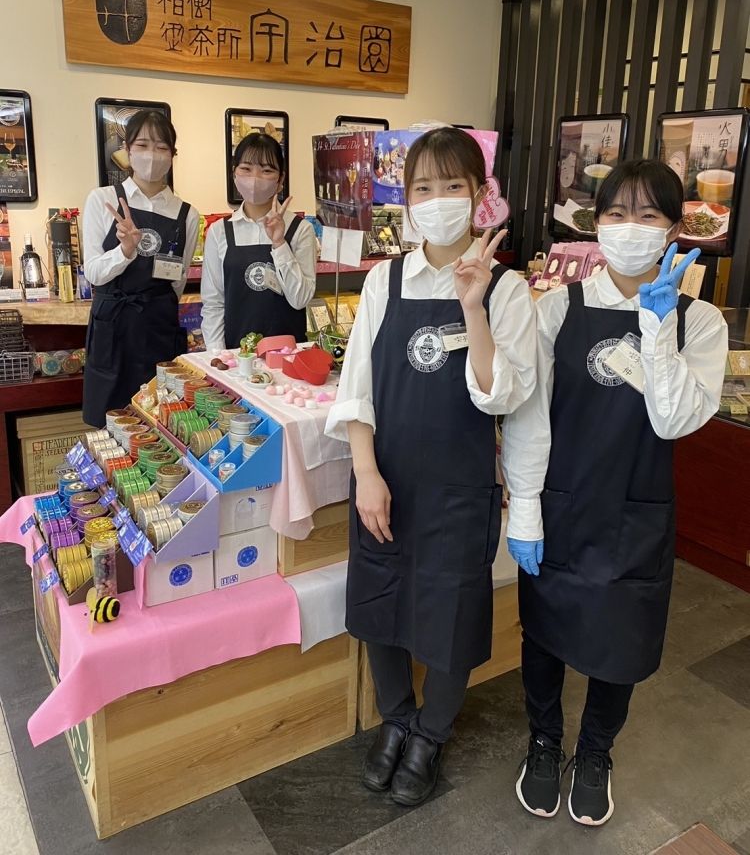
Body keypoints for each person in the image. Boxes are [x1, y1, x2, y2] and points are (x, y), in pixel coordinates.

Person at [502, 159, 728, 828]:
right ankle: (544, 741)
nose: (631, 229)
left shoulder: (699, 322)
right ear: (595, 223)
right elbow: (529, 416)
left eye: (649, 215)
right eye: (616, 214)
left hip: (637, 511)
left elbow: (675, 420)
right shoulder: (556, 309)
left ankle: (596, 752)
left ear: (675, 228)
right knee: (542, 636)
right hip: (563, 502)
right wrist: (525, 507)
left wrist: (657, 328)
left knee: (622, 642)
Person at [325, 126, 537, 807]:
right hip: (389, 477)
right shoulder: (385, 279)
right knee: (380, 605)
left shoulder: (507, 289)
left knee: (450, 614)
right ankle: (396, 718)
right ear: (407, 200)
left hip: (458, 488)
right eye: (424, 188)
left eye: (453, 185)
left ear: (480, 196)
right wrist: (366, 472)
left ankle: (431, 734)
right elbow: (356, 386)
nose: (438, 199)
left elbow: (501, 394)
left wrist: (472, 305)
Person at [82, 110, 199, 427]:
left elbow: (176, 279)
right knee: (110, 423)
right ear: (127, 149)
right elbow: (93, 272)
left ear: (173, 155)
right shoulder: (103, 200)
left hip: (157, 328)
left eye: (162, 147)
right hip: (113, 328)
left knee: (162, 422)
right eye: (143, 145)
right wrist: (125, 251)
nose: (152, 155)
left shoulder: (187, 214)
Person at [201, 132, 316, 350]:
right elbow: (213, 303)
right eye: (246, 168)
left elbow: (300, 299)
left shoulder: (301, 229)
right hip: (237, 357)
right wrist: (217, 356)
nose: (255, 178)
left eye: (266, 170)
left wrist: (280, 244)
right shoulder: (219, 232)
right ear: (234, 174)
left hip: (289, 357)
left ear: (280, 179)